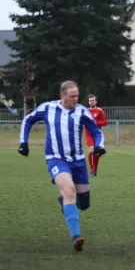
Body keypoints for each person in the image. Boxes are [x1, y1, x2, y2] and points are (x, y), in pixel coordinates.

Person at [18, 81, 106, 252]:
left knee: (84, 203)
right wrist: (23, 143)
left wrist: (99, 146)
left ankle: (64, 201)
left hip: (78, 161)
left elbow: (96, 131)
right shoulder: (48, 108)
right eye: (72, 96)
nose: (76, 99)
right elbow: (28, 120)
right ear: (63, 96)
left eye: (77, 96)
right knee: (68, 190)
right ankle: (76, 237)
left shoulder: (81, 111)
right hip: (56, 159)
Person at [85, 94, 108, 176]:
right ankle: (92, 170)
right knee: (91, 150)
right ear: (88, 102)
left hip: (97, 133)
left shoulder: (100, 111)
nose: (92, 102)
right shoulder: (85, 111)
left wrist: (96, 123)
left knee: (97, 152)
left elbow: (105, 122)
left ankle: (95, 170)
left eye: (93, 100)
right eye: (90, 100)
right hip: (88, 134)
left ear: (96, 101)